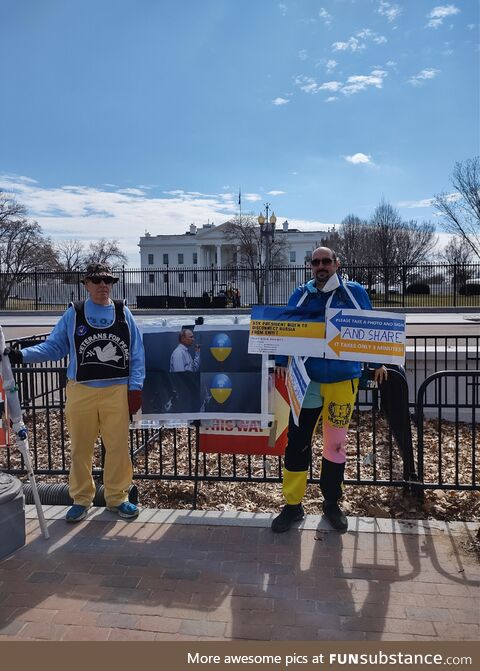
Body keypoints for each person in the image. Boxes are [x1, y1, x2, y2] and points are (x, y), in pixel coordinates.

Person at [3, 263, 145, 523]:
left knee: (118, 448)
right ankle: (81, 499)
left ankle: (117, 497)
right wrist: (22, 354)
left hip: (116, 389)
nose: (103, 285)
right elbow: (55, 347)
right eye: (97, 281)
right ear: (86, 284)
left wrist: (135, 387)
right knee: (81, 448)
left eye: (108, 281)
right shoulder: (75, 313)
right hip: (81, 391)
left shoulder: (124, 313)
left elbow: (137, 353)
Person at [272, 247, 388, 534]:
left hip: (341, 380)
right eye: (316, 262)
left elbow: (369, 327)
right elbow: (286, 326)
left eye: (326, 261)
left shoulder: (354, 292)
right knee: (297, 441)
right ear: (311, 266)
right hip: (306, 382)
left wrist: (377, 362)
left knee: (335, 444)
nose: (321, 266)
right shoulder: (301, 293)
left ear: (337, 264)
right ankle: (292, 505)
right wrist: (280, 360)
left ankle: (332, 502)